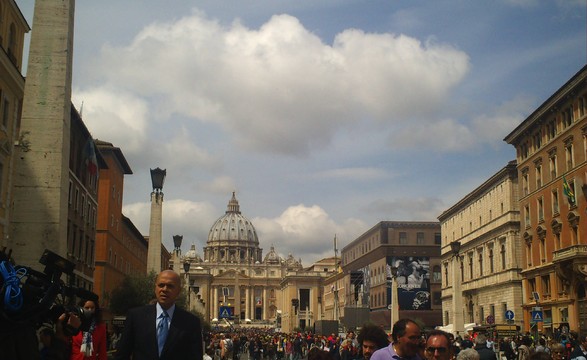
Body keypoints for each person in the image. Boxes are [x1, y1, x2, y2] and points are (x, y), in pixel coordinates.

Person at [115, 270, 203, 360]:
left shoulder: (191, 322)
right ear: (155, 288)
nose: (164, 289)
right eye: (161, 285)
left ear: (178, 291)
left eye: (170, 286)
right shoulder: (136, 317)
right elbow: (122, 354)